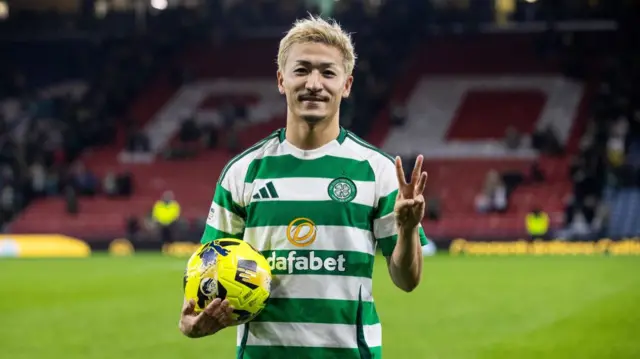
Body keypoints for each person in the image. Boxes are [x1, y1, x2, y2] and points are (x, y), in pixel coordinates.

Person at [178, 15, 430, 358]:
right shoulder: (243, 172)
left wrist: (407, 228)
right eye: (302, 70)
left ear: (347, 84)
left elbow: (407, 280)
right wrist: (192, 322)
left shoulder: (378, 171)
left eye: (328, 72)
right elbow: (206, 270)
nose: (314, 83)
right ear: (282, 80)